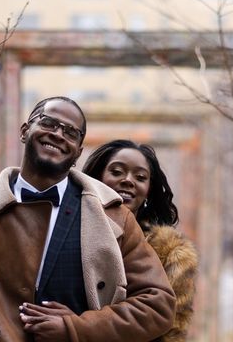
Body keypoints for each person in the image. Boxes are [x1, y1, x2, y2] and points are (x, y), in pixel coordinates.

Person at [0, 97, 176, 342]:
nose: (58, 134)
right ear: (25, 130)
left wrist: (76, 328)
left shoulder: (115, 218)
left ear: (78, 152)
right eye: (48, 122)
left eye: (71, 132)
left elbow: (158, 304)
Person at [82, 139, 198, 342]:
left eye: (141, 177)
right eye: (117, 172)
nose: (128, 180)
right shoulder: (69, 230)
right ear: (98, 179)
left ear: (148, 190)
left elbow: (172, 329)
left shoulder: (170, 251)